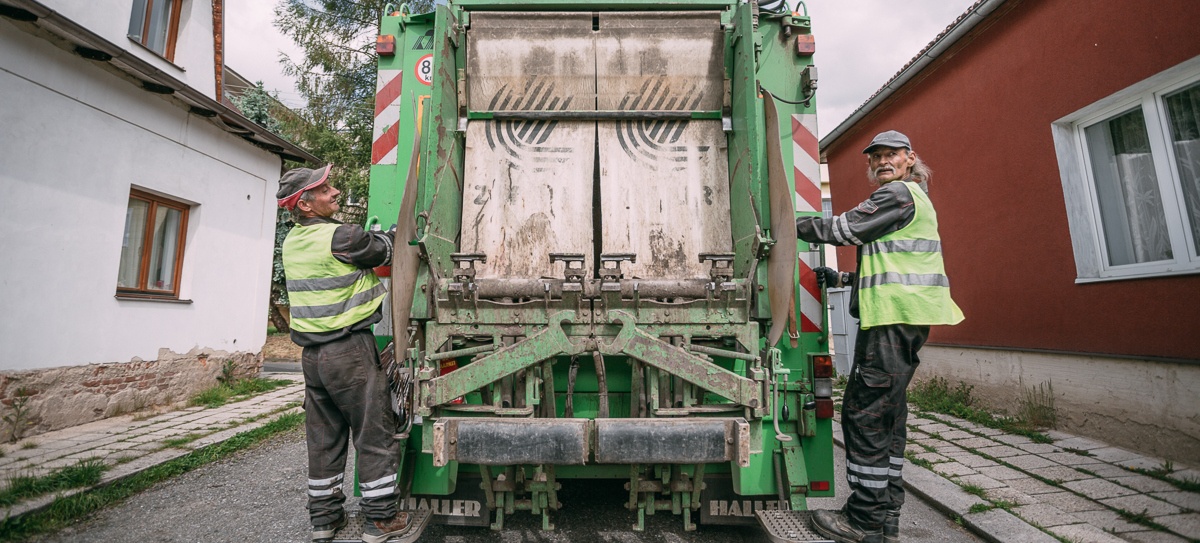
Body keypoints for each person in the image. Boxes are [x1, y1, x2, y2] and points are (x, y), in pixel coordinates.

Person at [795, 130, 964, 543]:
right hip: (903, 318)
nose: (883, 161)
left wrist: (786, 223)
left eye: (892, 154)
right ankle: (886, 518)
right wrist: (844, 279)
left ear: (910, 158)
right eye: (877, 156)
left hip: (892, 320)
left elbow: (843, 229)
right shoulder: (912, 198)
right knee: (887, 416)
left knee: (865, 414)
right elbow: (890, 262)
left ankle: (863, 520)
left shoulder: (897, 195)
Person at [277, 164, 411, 543]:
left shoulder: (292, 241)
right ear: (305, 204)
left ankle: (324, 519)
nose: (335, 192)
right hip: (349, 352)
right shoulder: (342, 237)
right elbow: (387, 248)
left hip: (313, 358)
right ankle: (381, 519)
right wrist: (396, 232)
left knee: (323, 439)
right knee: (373, 432)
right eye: (325, 190)